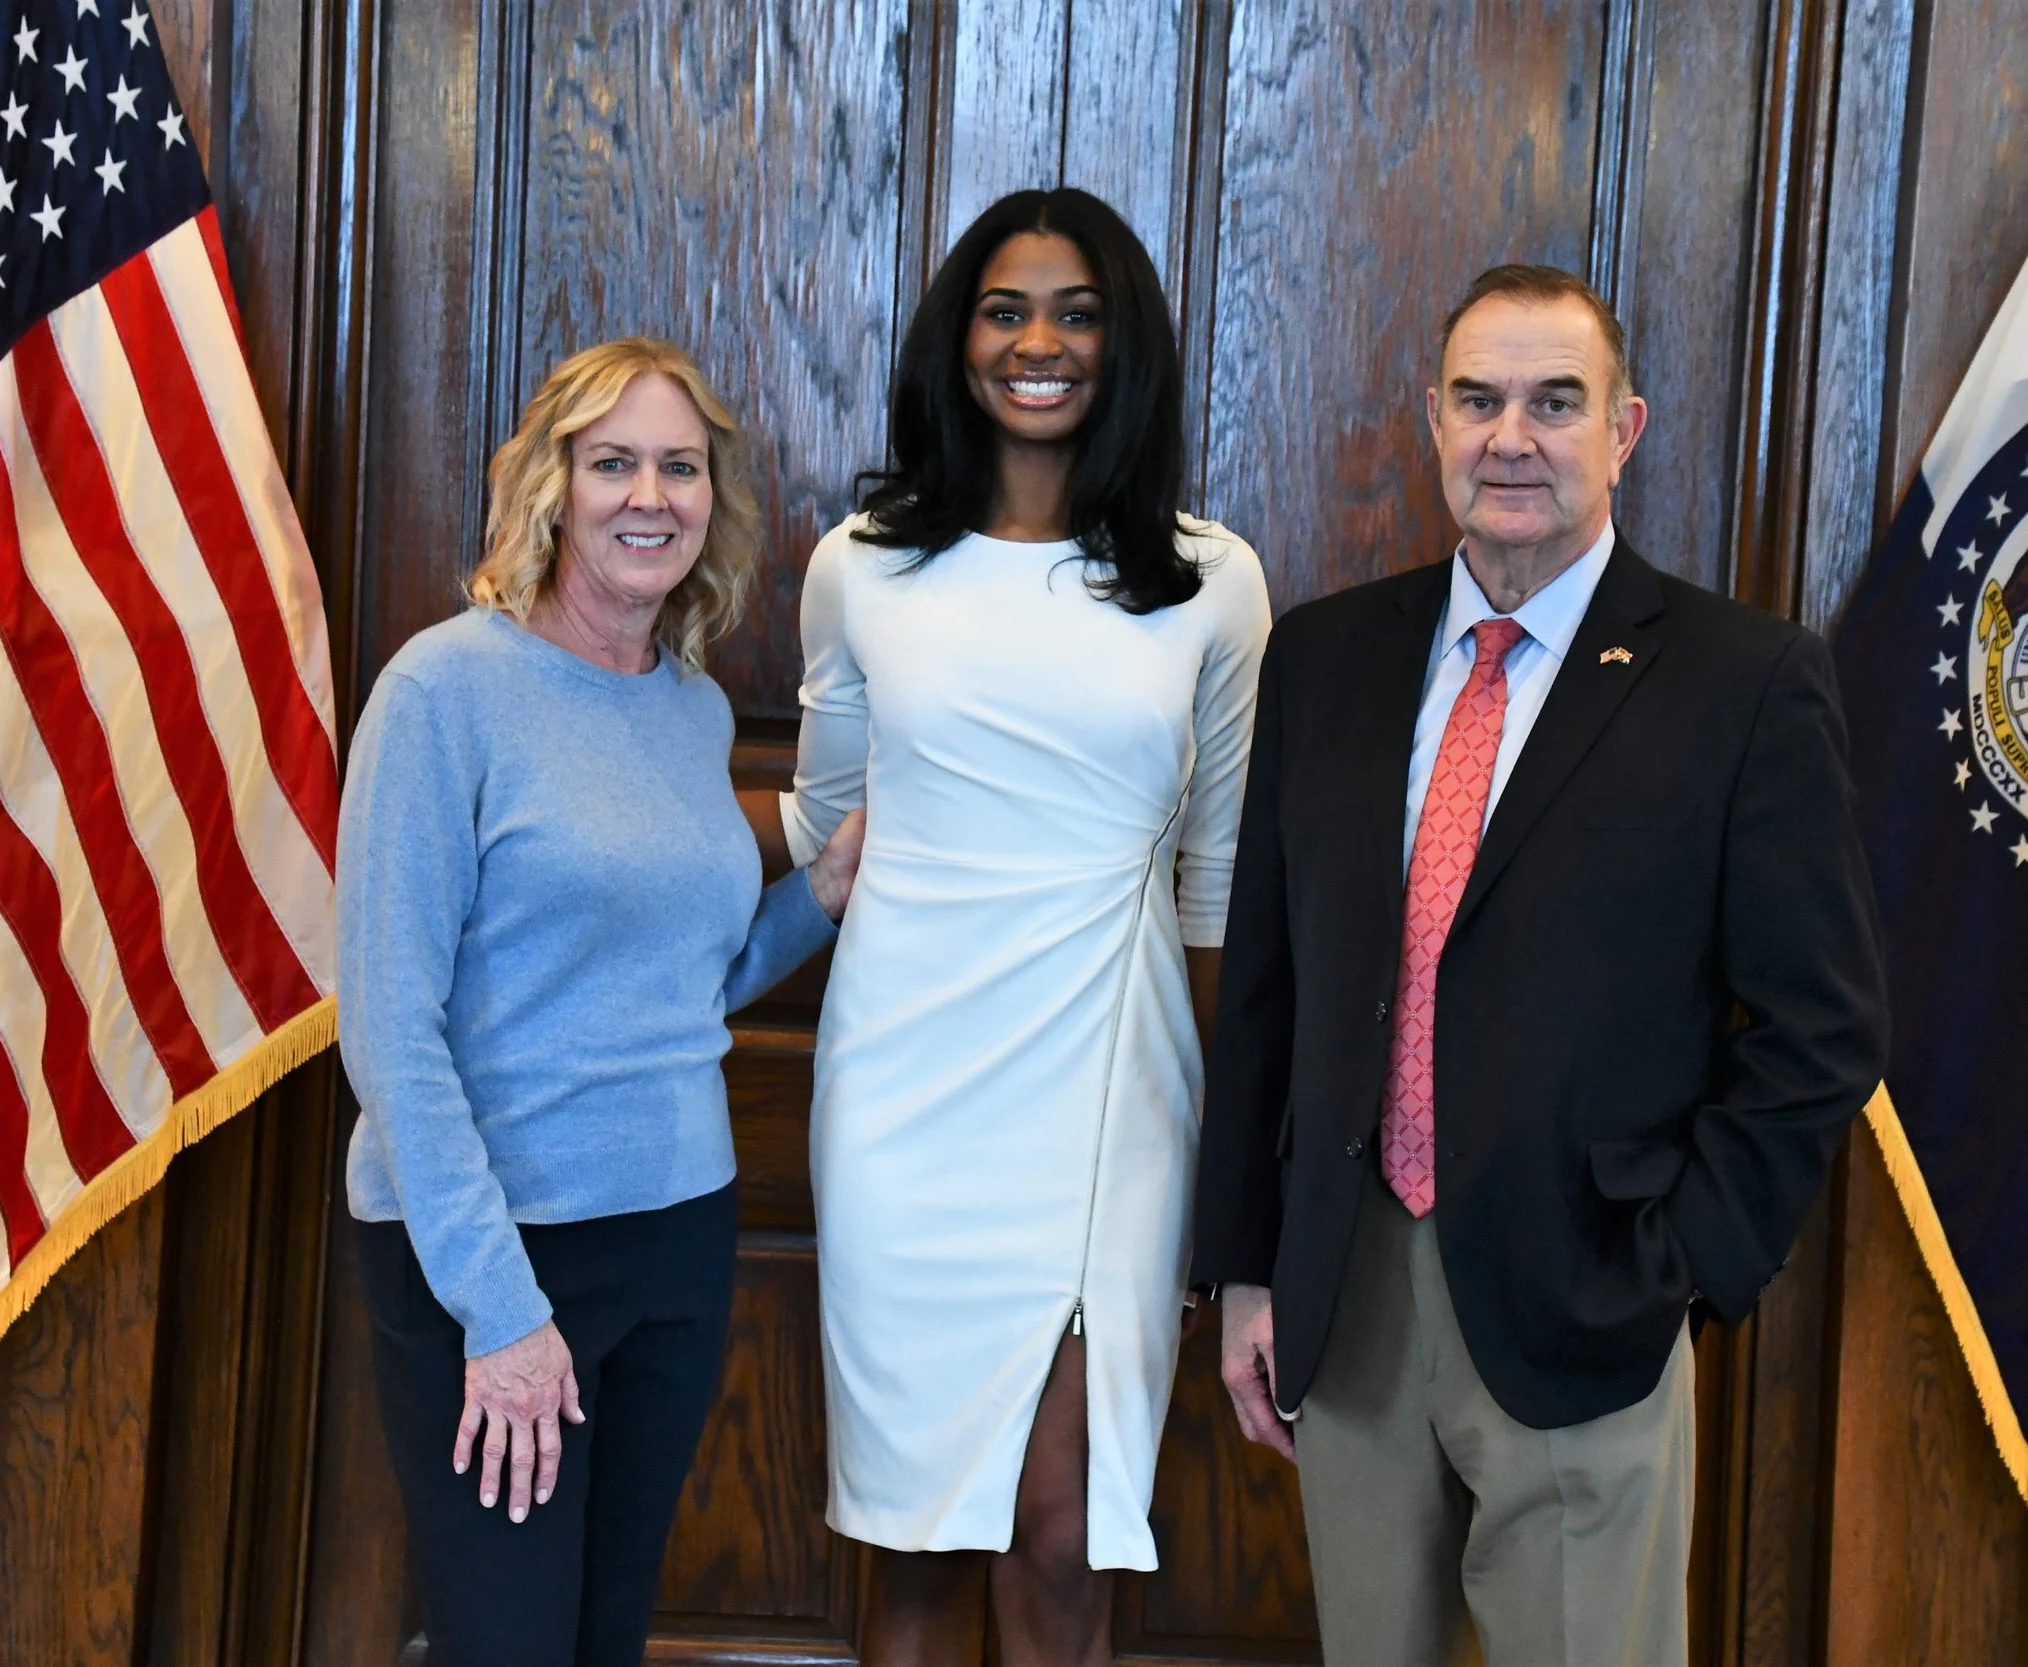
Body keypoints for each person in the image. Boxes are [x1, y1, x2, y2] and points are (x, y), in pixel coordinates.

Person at [1192, 265, 1888, 1665]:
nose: (1513, 436)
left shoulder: (1744, 683)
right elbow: (1264, 990)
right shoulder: (1324, 657)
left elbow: (1824, 1025)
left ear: (1622, 430)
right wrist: (1248, 1270)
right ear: (1433, 421)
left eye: (1555, 403)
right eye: (1481, 400)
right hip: (1351, 1291)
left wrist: (1679, 1263)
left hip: (1591, 1298)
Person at [781, 188, 1271, 1666]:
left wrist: (1224, 1160)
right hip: (903, 1095)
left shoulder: (1210, 580)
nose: (1039, 342)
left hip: (1109, 1093)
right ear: (959, 338)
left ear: (1126, 351)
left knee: (1064, 1532)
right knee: (915, 1534)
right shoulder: (862, 562)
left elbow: (1221, 873)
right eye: (1007, 309)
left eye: (1077, 312)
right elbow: (825, 826)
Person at [338, 337, 866, 1667]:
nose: (651, 493)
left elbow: (689, 986)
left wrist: (822, 892)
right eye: (613, 460)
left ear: (711, 499)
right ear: (550, 489)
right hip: (492, 1247)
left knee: (605, 1635)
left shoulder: (688, 711)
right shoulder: (441, 692)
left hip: (676, 1239)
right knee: (506, 1642)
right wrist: (503, 1314)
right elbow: (392, 1034)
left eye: (679, 466)